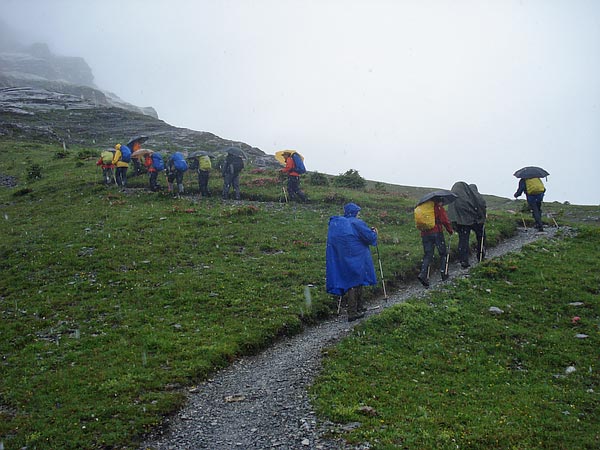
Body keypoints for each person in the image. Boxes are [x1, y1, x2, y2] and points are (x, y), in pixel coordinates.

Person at [326, 203, 378, 322]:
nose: (359, 214)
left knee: (352, 279)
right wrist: (374, 233)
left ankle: (359, 307)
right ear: (354, 212)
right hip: (357, 256)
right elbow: (369, 238)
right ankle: (353, 312)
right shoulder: (356, 223)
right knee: (355, 280)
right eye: (358, 212)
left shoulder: (338, 223)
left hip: (342, 256)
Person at [447, 181, 487, 268]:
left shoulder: (455, 198)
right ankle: (481, 255)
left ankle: (463, 260)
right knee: (481, 236)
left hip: (461, 222)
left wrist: (453, 223)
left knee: (463, 240)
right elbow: (482, 205)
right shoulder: (474, 195)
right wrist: (481, 217)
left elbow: (451, 213)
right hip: (475, 220)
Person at [417, 200, 453, 287]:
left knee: (428, 254)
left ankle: (423, 275)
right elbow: (445, 220)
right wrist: (450, 230)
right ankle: (443, 272)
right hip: (437, 232)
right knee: (443, 253)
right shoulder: (438, 207)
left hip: (425, 233)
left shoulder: (423, 207)